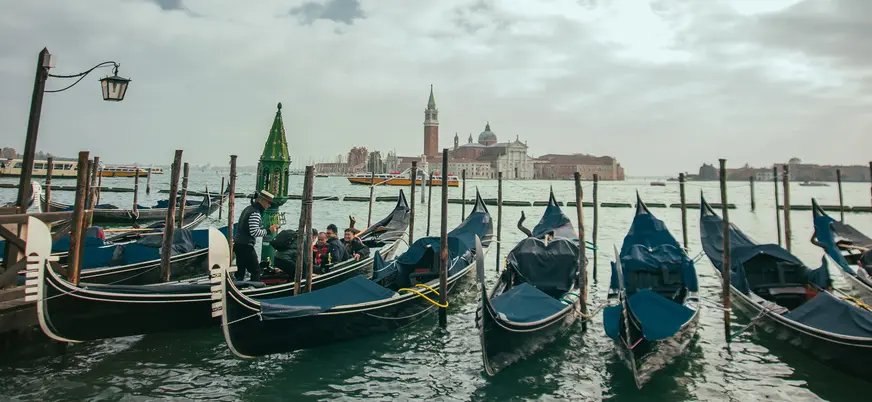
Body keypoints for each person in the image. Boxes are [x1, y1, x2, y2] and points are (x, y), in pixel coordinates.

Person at [233, 190, 278, 281]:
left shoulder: (248, 209)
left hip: (238, 244)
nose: (269, 205)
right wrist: (269, 231)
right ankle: (255, 289)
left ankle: (239, 286)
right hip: (246, 246)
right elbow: (254, 232)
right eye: (269, 203)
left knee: (240, 270)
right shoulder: (255, 213)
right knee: (256, 270)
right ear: (262, 201)